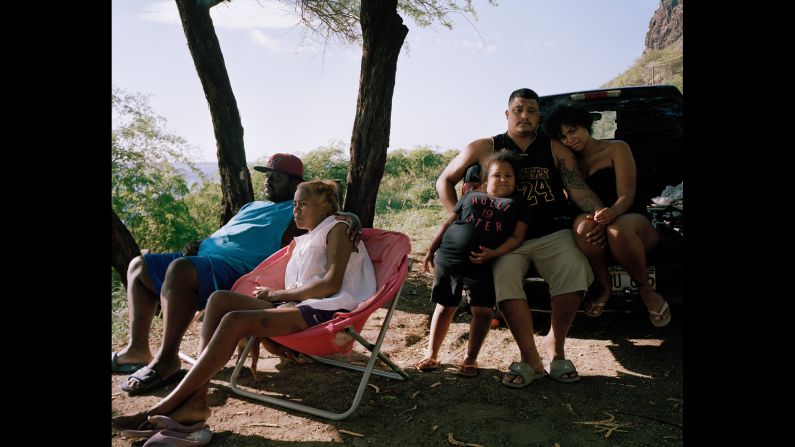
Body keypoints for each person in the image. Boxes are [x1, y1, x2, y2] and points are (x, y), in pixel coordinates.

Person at [113, 180, 376, 430]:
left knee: (234, 320)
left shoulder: (339, 228)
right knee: (219, 300)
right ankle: (197, 401)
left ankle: (163, 408)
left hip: (330, 311)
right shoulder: (306, 238)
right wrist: (279, 299)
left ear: (326, 207)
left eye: (303, 204)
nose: (295, 210)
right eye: (295, 204)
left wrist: (275, 295)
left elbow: (331, 284)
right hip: (301, 307)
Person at [435, 88, 606, 386]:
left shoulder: (553, 148)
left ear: (539, 115)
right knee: (505, 282)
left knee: (574, 269)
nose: (524, 115)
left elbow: (577, 189)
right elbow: (445, 181)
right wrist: (465, 221)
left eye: (531, 110)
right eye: (518, 109)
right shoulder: (483, 146)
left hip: (551, 232)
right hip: (504, 242)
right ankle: (530, 358)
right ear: (507, 113)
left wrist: (605, 216)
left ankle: (556, 348)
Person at [543, 104, 671, 327]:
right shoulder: (570, 164)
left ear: (585, 125)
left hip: (632, 220)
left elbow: (626, 195)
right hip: (597, 228)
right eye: (563, 137)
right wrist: (599, 220)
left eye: (572, 131)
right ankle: (605, 287)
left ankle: (645, 289)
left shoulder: (616, 148)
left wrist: (609, 215)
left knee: (618, 228)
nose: (569, 139)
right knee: (582, 226)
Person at [417, 150, 531, 378]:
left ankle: (470, 359)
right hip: (449, 258)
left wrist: (494, 253)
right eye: (497, 175)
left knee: (483, 310)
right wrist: (431, 250)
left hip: (482, 263)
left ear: (516, 181)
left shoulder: (518, 204)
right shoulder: (470, 197)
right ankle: (431, 353)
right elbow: (449, 223)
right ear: (485, 180)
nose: (503, 180)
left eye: (509, 176)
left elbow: (517, 237)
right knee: (445, 305)